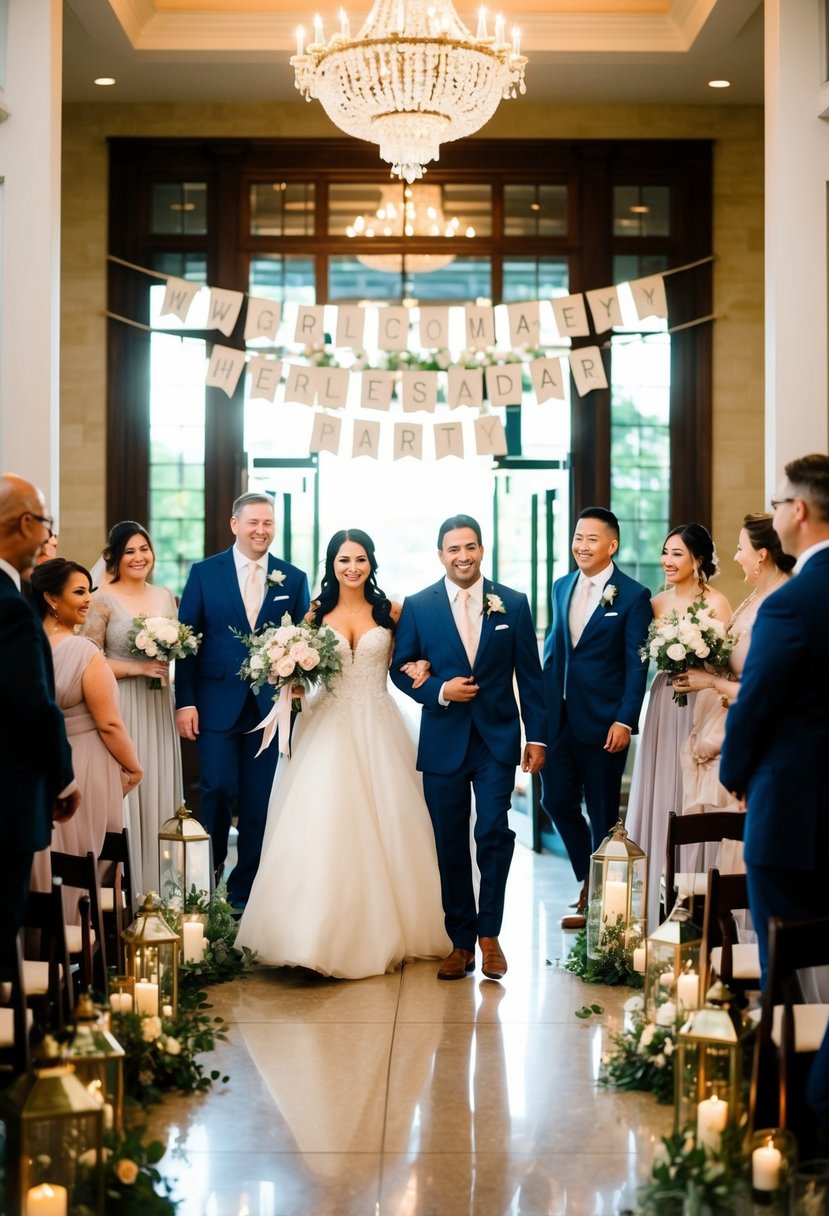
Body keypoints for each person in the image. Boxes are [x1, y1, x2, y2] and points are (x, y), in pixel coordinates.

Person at [237, 530, 450, 977]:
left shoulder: (391, 611)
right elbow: (296, 669)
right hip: (326, 724)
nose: (351, 567)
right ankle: (307, 934)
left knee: (390, 819)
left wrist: (423, 664)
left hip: (378, 723)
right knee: (321, 821)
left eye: (359, 559)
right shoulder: (314, 615)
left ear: (371, 562)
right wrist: (289, 679)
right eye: (342, 559)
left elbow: (418, 651)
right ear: (331, 564)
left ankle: (394, 927)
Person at [390, 514, 548, 982]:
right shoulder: (419, 605)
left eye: (470, 547)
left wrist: (536, 736)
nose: (463, 556)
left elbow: (532, 677)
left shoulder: (513, 604)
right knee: (450, 842)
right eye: (453, 549)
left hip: (497, 740)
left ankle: (490, 935)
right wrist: (439, 689)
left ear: (482, 549)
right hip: (443, 741)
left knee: (494, 834)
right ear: (441, 554)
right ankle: (460, 942)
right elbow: (401, 669)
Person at [721, 453, 829, 986]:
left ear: (800, 511)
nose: (776, 513)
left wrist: (735, 775)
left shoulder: (794, 602)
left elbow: (757, 701)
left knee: (784, 970)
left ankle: (791, 1069)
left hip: (793, 812)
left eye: (778, 503)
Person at [176, 492, 310, 910]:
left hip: (269, 709)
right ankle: (206, 878)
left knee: (258, 800)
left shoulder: (293, 578)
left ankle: (242, 893)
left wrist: (297, 688)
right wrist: (185, 702)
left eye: (268, 523)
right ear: (234, 524)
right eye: (253, 522)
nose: (261, 530)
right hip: (215, 702)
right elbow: (188, 642)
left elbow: (305, 641)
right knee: (215, 788)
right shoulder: (205, 573)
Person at [539, 507, 652, 930]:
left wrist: (625, 720)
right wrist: (539, 716)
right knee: (555, 800)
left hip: (605, 723)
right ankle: (589, 880)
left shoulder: (633, 595)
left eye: (591, 539)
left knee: (603, 812)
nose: (581, 546)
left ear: (612, 545)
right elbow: (555, 652)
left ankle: (605, 908)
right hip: (560, 719)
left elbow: (636, 664)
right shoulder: (561, 586)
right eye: (577, 537)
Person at [625, 523, 731, 933]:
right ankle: (653, 912)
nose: (667, 561)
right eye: (665, 552)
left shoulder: (717, 603)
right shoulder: (655, 603)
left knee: (689, 790)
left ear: (698, 560)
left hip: (698, 705)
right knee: (660, 786)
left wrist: (700, 664)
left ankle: (690, 911)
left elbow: (722, 665)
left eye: (677, 554)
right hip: (663, 702)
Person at [29, 558, 143, 923]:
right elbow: (108, 723)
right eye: (78, 592)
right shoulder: (83, 652)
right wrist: (134, 767)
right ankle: (84, 946)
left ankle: (45, 948)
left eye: (89, 591)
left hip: (47, 765)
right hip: (88, 766)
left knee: (51, 855)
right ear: (51, 598)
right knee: (90, 858)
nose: (88, 600)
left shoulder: (29, 647)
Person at [0, 473, 79, 968]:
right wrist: (64, 777)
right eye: (46, 522)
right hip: (8, 792)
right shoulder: (10, 607)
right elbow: (31, 704)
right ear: (26, 523)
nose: (48, 534)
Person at [82, 521, 182, 897]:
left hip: (158, 704)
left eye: (144, 549)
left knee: (159, 783)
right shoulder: (103, 599)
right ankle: (129, 894)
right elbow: (88, 660)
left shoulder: (165, 596)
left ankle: (163, 890)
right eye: (130, 551)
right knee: (130, 790)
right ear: (115, 558)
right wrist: (137, 667)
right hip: (122, 703)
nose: (139, 557)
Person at [678, 514, 793, 828]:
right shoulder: (757, 596)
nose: (735, 556)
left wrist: (710, 681)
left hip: (744, 727)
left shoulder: (781, 603)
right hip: (723, 720)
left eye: (741, 548)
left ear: (761, 554)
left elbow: (765, 687)